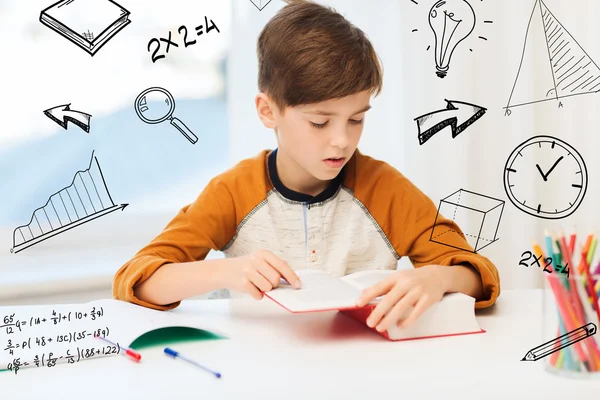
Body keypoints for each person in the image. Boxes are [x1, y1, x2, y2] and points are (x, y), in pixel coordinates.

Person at [113, 0, 500, 333]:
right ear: (268, 111)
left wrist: (439, 277)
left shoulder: (385, 189)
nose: (342, 140)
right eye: (320, 122)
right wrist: (222, 273)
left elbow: (480, 275)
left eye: (356, 119)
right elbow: (137, 279)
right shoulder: (233, 192)